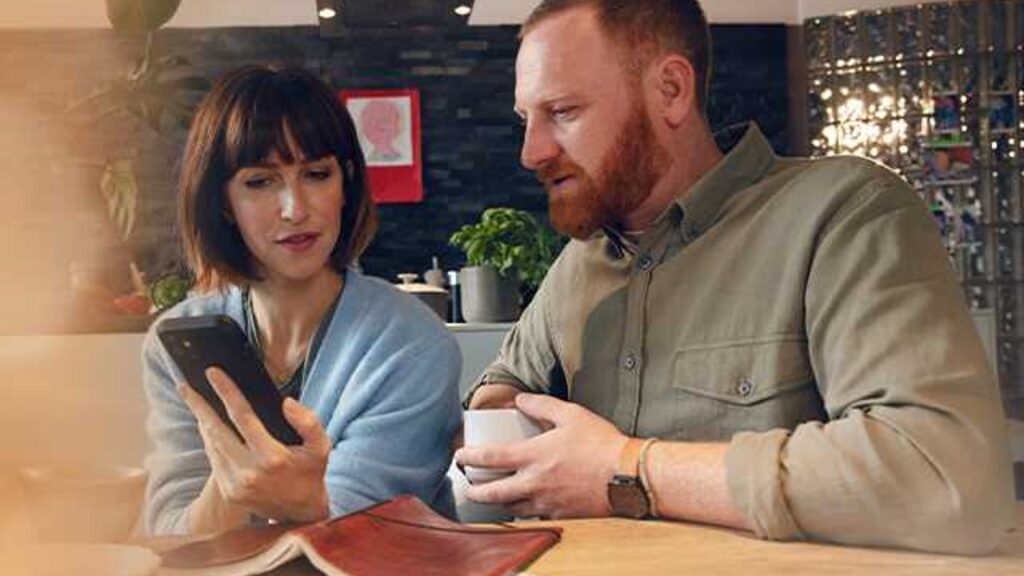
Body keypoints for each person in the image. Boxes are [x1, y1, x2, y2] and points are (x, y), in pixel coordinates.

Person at [455, 0, 1015, 554]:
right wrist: (501, 412)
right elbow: (505, 382)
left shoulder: (843, 213)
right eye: (527, 119)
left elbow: (946, 478)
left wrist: (625, 468)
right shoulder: (581, 260)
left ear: (671, 90)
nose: (532, 152)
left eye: (564, 111)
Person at [142, 66, 462, 536]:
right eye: (260, 181)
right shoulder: (175, 342)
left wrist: (305, 502)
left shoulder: (413, 344)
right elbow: (170, 532)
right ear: (224, 201)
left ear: (345, 185)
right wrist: (232, 488)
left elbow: (375, 528)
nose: (295, 208)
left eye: (316, 174)